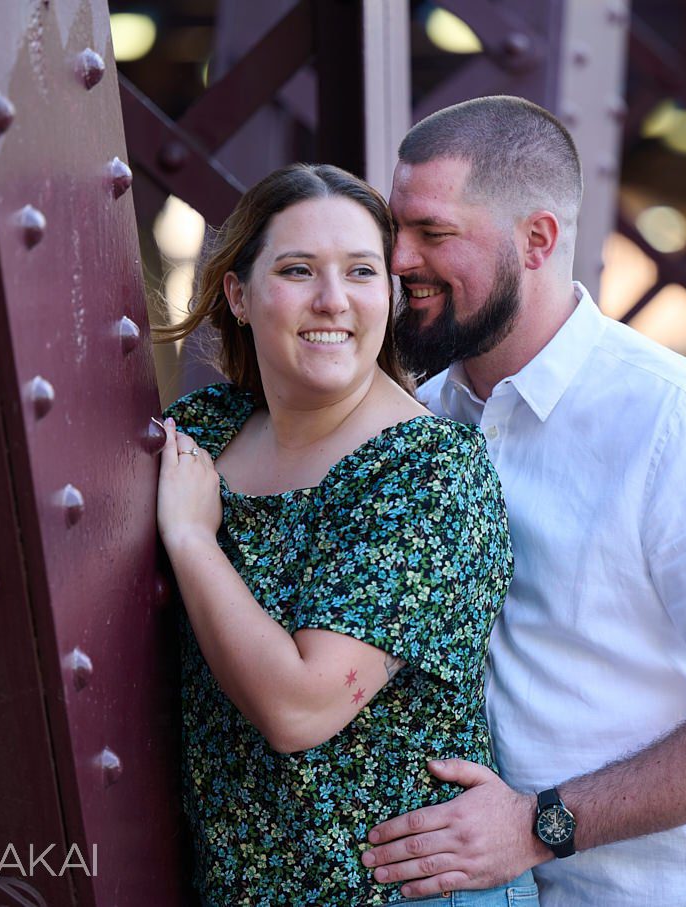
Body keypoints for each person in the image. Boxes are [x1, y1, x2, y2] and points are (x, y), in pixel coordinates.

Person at [361, 96, 686, 907]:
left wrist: (536, 825)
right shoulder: (418, 422)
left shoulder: (673, 421)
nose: (398, 260)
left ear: (538, 239)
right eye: (395, 230)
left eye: (432, 234)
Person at [153, 163, 538, 906]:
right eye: (298, 270)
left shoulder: (430, 474)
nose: (333, 300)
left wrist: (195, 542)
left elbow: (300, 708)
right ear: (238, 293)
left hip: (403, 894)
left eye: (361, 271)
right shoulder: (203, 434)